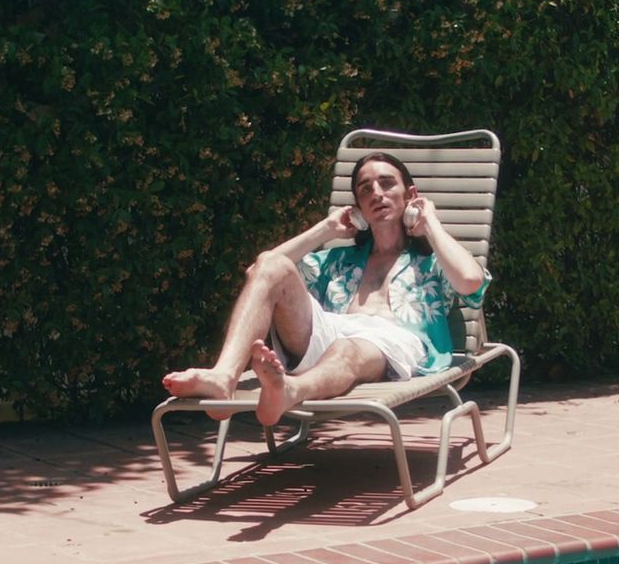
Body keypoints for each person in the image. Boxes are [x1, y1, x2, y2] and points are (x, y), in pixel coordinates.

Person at [162, 152, 491, 426]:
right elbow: (258, 274)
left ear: (409, 194)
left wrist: (429, 221)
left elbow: (471, 282)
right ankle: (223, 377)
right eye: (365, 189)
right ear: (358, 209)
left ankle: (291, 390)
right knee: (270, 263)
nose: (376, 192)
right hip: (329, 331)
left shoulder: (432, 262)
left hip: (396, 345)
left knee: (347, 348)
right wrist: (324, 230)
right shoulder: (339, 260)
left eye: (387, 183)